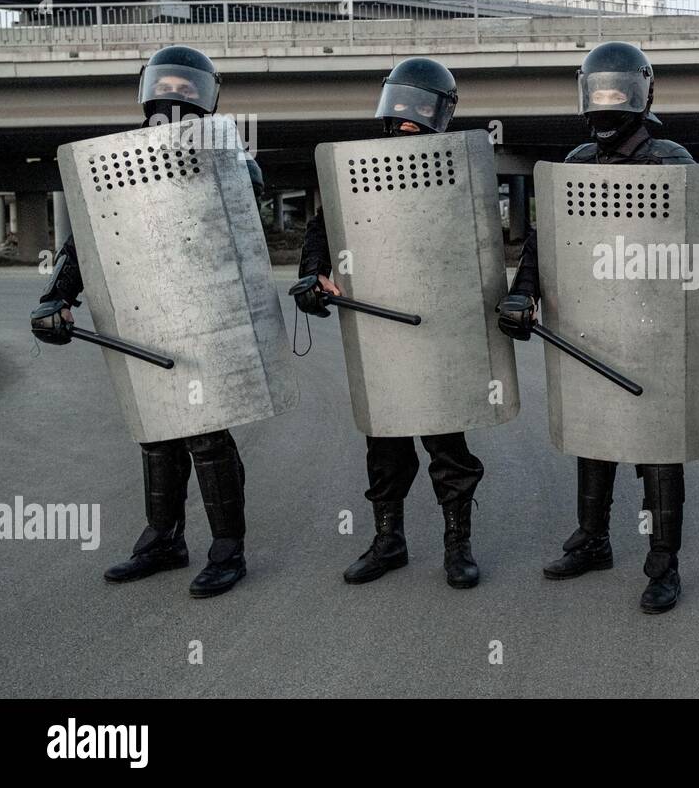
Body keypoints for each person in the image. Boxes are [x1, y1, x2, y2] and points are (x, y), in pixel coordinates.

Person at [32, 45, 262, 599]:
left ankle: (228, 551)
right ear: (149, 87)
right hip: (143, 312)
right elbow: (85, 239)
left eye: (189, 86)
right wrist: (56, 296)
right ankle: (163, 540)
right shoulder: (115, 160)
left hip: (206, 315)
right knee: (157, 435)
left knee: (207, 435)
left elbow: (240, 232)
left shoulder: (231, 159)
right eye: (170, 84)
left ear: (206, 94)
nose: (177, 95)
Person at [497, 41, 696, 614]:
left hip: (653, 327)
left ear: (641, 93)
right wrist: (522, 291)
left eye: (617, 91)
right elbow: (544, 243)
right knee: (593, 433)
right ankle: (593, 540)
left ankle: (663, 565)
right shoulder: (578, 162)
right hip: (588, 321)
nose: (606, 104)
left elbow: (690, 250)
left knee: (659, 447)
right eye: (598, 91)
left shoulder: (670, 161)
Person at [294, 57, 485, 590]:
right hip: (378, 329)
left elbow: (481, 247)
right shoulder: (361, 168)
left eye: (418, 109)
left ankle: (458, 546)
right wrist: (314, 275)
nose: (406, 121)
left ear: (439, 113)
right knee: (385, 445)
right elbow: (323, 228)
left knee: (446, 444)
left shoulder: (458, 171)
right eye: (399, 107)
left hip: (437, 330)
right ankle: (389, 541)